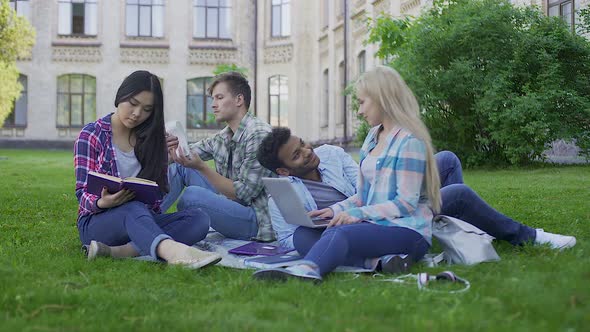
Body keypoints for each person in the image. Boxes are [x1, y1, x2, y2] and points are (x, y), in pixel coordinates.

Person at [253, 66, 443, 282]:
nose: (360, 111)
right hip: (379, 225)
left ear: (381, 98)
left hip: (409, 230)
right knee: (318, 232)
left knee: (340, 233)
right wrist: (333, 211)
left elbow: (406, 204)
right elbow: (363, 196)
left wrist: (358, 215)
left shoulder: (409, 142)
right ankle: (379, 262)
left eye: (362, 102)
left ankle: (307, 271)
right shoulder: (373, 137)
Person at [256, 128, 576, 252]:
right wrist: (323, 230)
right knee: (459, 194)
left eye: (303, 144)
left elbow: (369, 188)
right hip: (377, 227)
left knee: (446, 161)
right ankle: (529, 236)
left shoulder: (332, 154)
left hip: (384, 204)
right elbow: (287, 238)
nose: (308, 152)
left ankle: (454, 230)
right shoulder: (283, 194)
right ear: (284, 170)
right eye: (297, 154)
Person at [74, 70, 221, 269]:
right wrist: (103, 202)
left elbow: (156, 199)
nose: (137, 114)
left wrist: (164, 161)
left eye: (147, 109)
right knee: (131, 208)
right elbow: (82, 194)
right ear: (121, 96)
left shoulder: (153, 138)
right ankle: (175, 253)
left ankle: (121, 252)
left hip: (142, 218)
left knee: (199, 219)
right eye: (133, 104)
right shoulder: (91, 134)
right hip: (97, 222)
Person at [164, 72, 274, 242]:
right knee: (180, 167)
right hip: (231, 205)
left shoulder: (259, 135)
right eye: (213, 99)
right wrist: (170, 151)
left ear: (239, 100)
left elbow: (244, 194)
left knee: (191, 196)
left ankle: (159, 232)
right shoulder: (224, 136)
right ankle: (146, 219)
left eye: (219, 98)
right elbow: (188, 153)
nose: (213, 105)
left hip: (256, 220)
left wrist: (202, 167)